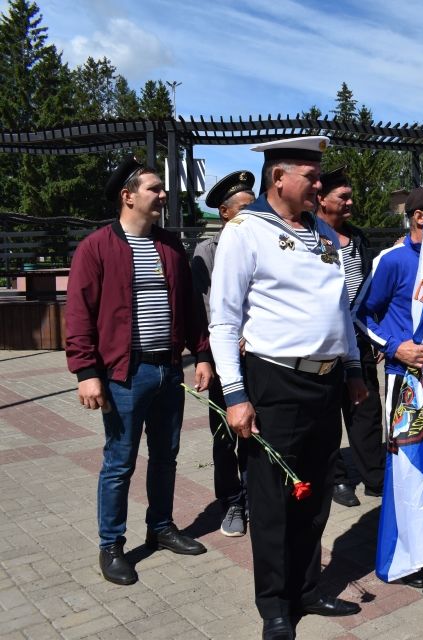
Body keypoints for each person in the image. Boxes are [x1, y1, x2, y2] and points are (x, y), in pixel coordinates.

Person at [209, 136, 367, 638]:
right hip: (275, 379)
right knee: (275, 497)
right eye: (311, 177)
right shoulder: (246, 231)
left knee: (315, 493)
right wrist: (235, 395)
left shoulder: (320, 233)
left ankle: (306, 587)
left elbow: (339, 306)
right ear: (279, 177)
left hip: (327, 381)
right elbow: (224, 321)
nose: (320, 186)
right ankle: (275, 604)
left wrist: (356, 367)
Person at [66, 156, 213, 586]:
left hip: (168, 371)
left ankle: (161, 526)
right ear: (128, 196)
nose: (163, 194)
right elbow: (78, 314)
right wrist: (86, 372)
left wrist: (201, 354)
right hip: (123, 376)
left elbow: (188, 308)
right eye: (155, 188)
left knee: (166, 456)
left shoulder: (169, 245)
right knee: (120, 462)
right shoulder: (96, 247)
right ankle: (111, 545)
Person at [352, 186, 423, 588]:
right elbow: (361, 315)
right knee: (408, 468)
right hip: (409, 384)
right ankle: (403, 557)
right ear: (420, 217)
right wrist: (396, 347)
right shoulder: (393, 260)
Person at [315, 166, 385, 508]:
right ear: (320, 199)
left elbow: (371, 292)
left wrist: (379, 336)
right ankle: (338, 479)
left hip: (359, 340)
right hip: (322, 342)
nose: (350, 202)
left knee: (366, 409)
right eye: (343, 197)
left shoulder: (358, 238)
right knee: (326, 415)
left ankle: (375, 477)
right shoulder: (307, 236)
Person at [191, 170, 256, 537]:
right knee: (225, 434)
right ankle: (232, 501)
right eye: (244, 208)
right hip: (225, 359)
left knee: (256, 431)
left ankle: (254, 496)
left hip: (260, 358)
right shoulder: (208, 251)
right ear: (226, 213)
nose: (251, 213)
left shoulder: (261, 240)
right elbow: (207, 309)